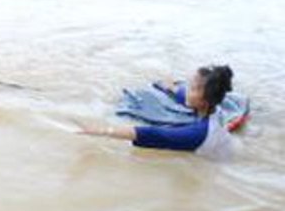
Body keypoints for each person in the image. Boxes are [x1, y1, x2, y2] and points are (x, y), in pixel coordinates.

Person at [77, 65, 236, 157]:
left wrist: (103, 130)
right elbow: (182, 96)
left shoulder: (197, 133)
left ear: (204, 100)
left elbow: (154, 134)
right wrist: (170, 86)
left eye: (193, 88)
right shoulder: (213, 108)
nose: (187, 89)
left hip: (215, 161)